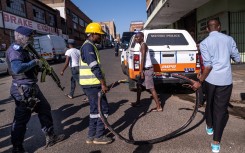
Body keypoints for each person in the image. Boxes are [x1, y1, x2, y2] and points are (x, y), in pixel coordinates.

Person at [6, 26, 65, 153]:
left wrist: (40, 68)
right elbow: (17, 68)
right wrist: (35, 62)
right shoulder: (15, 50)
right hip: (23, 89)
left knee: (45, 109)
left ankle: (51, 136)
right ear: (22, 37)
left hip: (31, 87)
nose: (32, 39)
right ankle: (17, 148)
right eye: (30, 37)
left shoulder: (24, 49)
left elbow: (28, 67)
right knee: (21, 119)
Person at [194, 19, 241, 153]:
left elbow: (208, 66)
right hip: (225, 80)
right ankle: (216, 143)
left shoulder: (204, 43)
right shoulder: (229, 39)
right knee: (220, 110)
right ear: (219, 27)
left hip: (210, 80)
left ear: (208, 29)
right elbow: (237, 59)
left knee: (210, 103)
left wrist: (200, 81)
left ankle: (209, 126)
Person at [80, 22, 112, 144]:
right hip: (93, 84)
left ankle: (91, 136)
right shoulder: (88, 47)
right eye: (99, 35)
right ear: (93, 34)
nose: (101, 37)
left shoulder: (89, 46)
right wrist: (103, 84)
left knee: (94, 110)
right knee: (103, 109)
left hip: (90, 84)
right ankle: (99, 136)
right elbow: (94, 67)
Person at [130, 32, 162, 112]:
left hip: (147, 70)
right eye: (135, 37)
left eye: (138, 37)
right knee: (139, 85)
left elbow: (143, 58)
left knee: (151, 88)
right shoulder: (141, 45)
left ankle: (159, 107)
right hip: (144, 69)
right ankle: (138, 102)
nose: (136, 38)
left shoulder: (143, 45)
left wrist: (141, 71)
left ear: (142, 37)